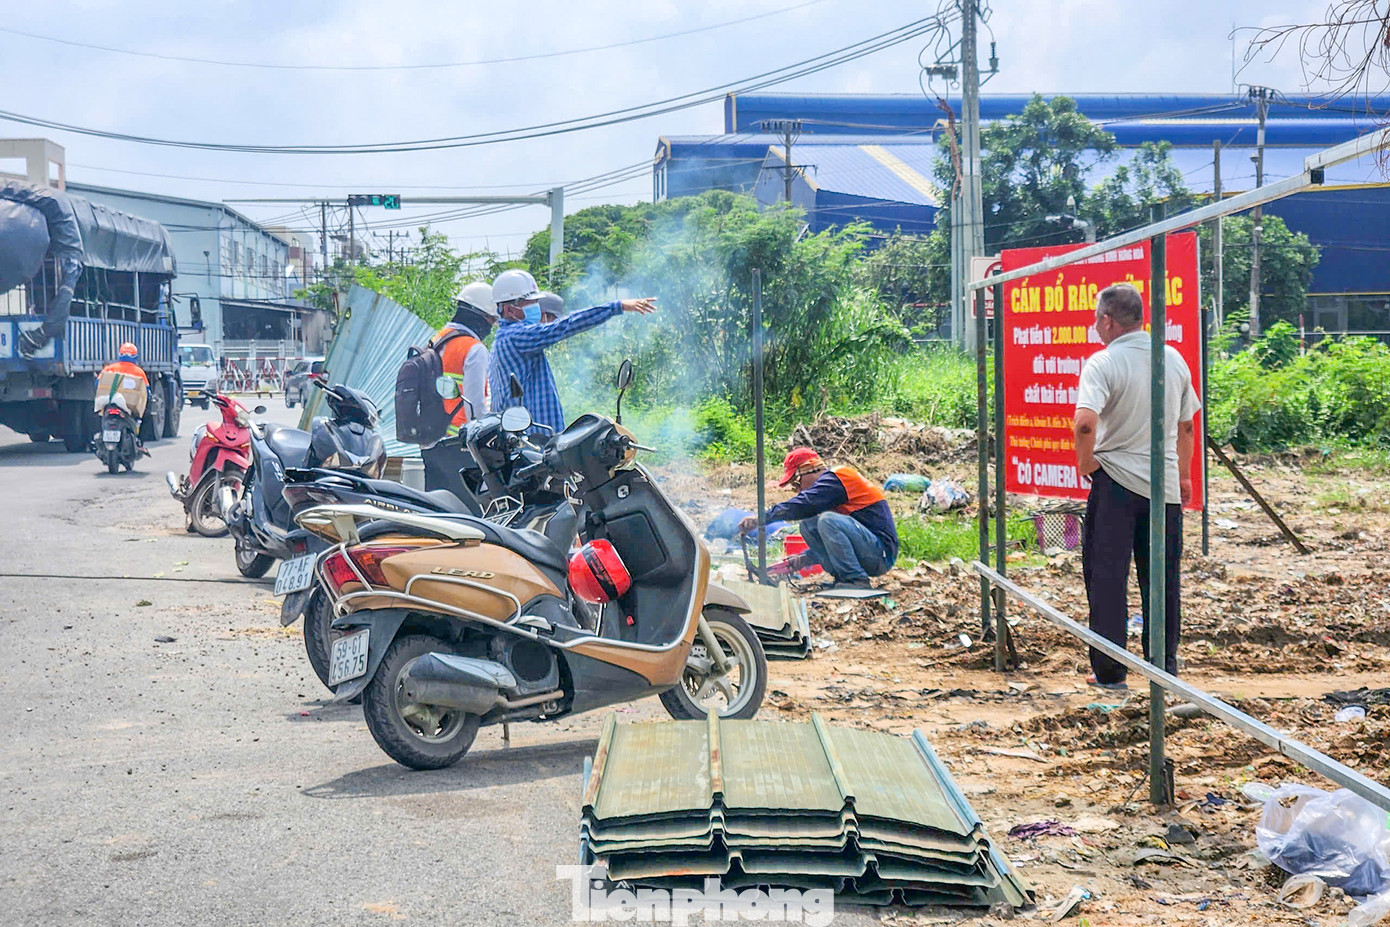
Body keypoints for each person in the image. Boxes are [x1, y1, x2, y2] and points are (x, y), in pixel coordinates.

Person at [1074, 283, 1200, 691]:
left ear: (1108, 321)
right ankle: (1163, 667)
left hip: (1115, 485)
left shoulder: (1103, 363)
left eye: (1097, 320)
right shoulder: (1173, 358)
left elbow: (1085, 423)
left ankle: (1110, 671)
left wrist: (1086, 463)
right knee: (1162, 579)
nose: (1096, 327)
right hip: (1163, 488)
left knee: (1107, 579)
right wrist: (1182, 476)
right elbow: (1186, 426)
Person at [486, 268, 655, 434]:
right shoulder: (517, 337)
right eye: (530, 303)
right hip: (534, 441)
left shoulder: (502, 339)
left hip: (528, 440)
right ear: (508, 309)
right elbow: (566, 326)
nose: (536, 307)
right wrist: (616, 307)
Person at [739, 448, 898, 590]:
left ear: (810, 469)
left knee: (827, 520)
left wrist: (763, 518)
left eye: (797, 483)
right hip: (869, 548)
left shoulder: (839, 477)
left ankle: (856, 579)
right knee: (808, 524)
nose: (799, 490)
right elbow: (841, 542)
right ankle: (844, 577)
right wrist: (805, 558)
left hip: (881, 553)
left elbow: (804, 504)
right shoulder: (832, 489)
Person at [420, 281, 497, 496]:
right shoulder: (474, 349)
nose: (492, 326)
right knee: (463, 513)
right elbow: (476, 407)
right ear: (480, 316)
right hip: (459, 445)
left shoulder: (437, 339)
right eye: (492, 319)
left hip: (430, 441)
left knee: (435, 509)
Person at [95, 342, 150, 453]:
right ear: (135, 357)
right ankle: (140, 444)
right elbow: (146, 391)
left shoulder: (109, 369)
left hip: (109, 403)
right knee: (147, 416)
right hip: (128, 407)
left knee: (99, 417)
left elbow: (97, 384)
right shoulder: (139, 372)